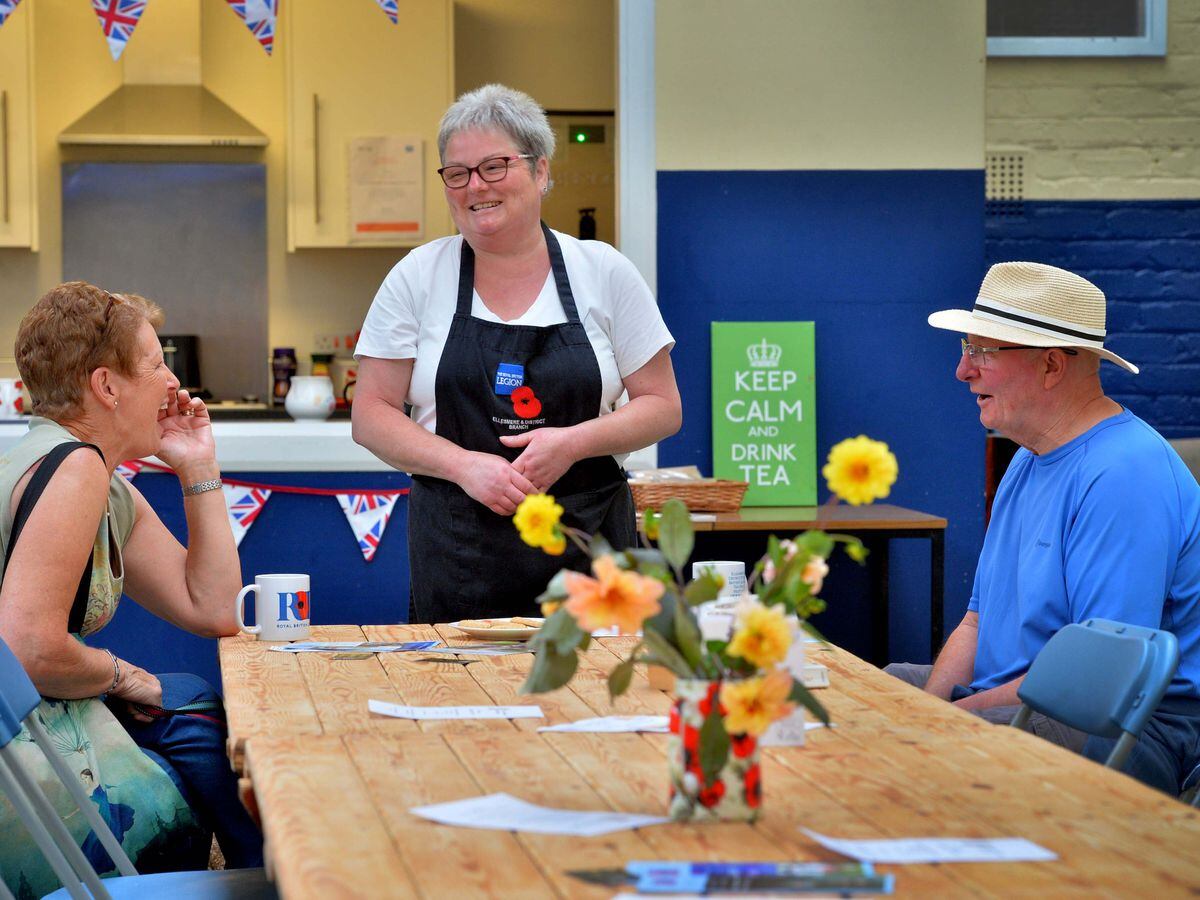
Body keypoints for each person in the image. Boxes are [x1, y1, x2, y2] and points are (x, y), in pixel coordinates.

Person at [353, 83, 680, 624]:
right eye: (456, 173)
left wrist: (573, 443)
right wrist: (463, 467)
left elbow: (663, 406)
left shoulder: (603, 271)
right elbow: (370, 414)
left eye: (494, 167)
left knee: (602, 703)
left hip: (589, 548)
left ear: (541, 170)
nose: (474, 186)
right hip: (459, 550)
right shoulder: (418, 275)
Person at [886, 261, 1200, 795]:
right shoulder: (1027, 458)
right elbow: (976, 624)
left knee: (914, 754)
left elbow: (1099, 686)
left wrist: (938, 723)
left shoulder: (1124, 472)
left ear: (1052, 365)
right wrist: (927, 710)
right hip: (1023, 700)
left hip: (1122, 729)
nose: (963, 371)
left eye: (982, 352)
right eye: (966, 348)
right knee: (887, 690)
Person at [0, 283, 263, 897]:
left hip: (33, 726)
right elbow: (28, 649)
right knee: (189, 717)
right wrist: (123, 675)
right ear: (106, 386)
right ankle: (264, 877)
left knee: (189, 699)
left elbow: (216, 608)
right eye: (153, 364)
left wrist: (198, 467)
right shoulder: (73, 471)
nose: (172, 381)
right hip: (19, 753)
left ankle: (259, 871)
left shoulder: (93, 476)